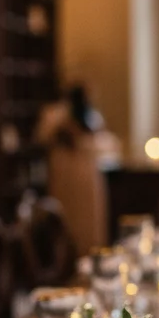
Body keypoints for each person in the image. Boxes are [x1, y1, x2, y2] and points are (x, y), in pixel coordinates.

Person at [36, 85, 119, 255]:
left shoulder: (92, 116)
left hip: (87, 175)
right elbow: (42, 138)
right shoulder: (55, 115)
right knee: (66, 217)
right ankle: (66, 257)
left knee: (88, 220)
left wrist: (82, 140)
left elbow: (106, 144)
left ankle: (90, 254)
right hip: (65, 175)